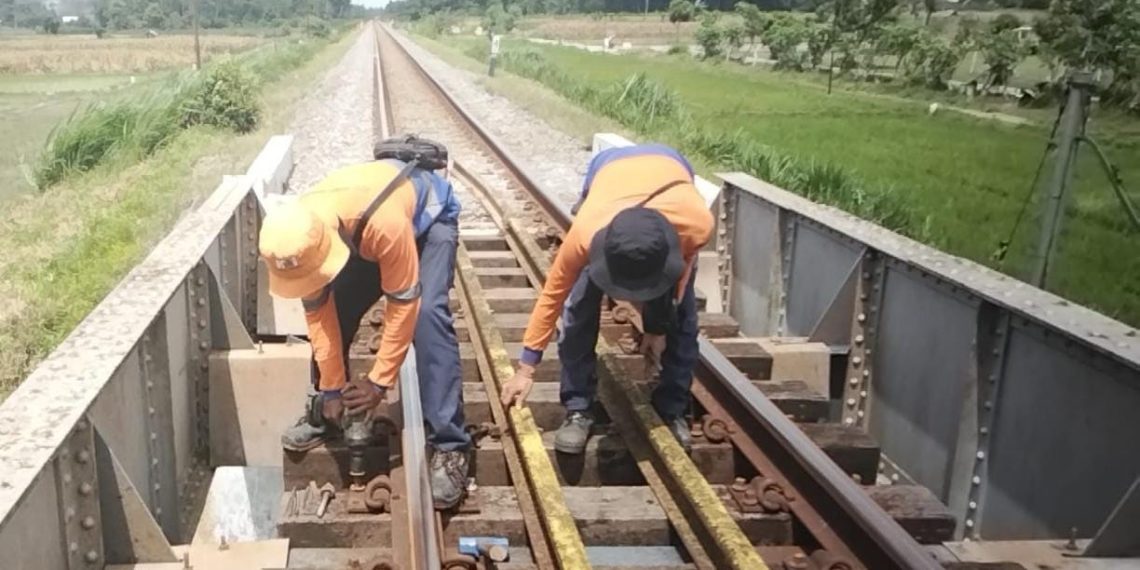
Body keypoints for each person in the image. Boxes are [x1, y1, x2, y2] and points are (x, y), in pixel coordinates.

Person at [258, 141, 470, 509]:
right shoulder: (299, 233)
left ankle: (451, 445)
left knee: (428, 315)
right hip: (359, 231)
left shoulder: (382, 226)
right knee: (335, 310)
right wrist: (334, 388)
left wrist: (378, 382)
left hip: (426, 223)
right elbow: (320, 315)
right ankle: (324, 409)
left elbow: (403, 305)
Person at [500, 144, 713, 454]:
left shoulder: (697, 223)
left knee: (684, 320)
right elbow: (552, 298)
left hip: (672, 170)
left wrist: (658, 326)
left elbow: (681, 280)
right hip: (609, 169)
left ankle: (672, 407)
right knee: (578, 308)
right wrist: (525, 369)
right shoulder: (585, 234)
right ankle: (578, 406)